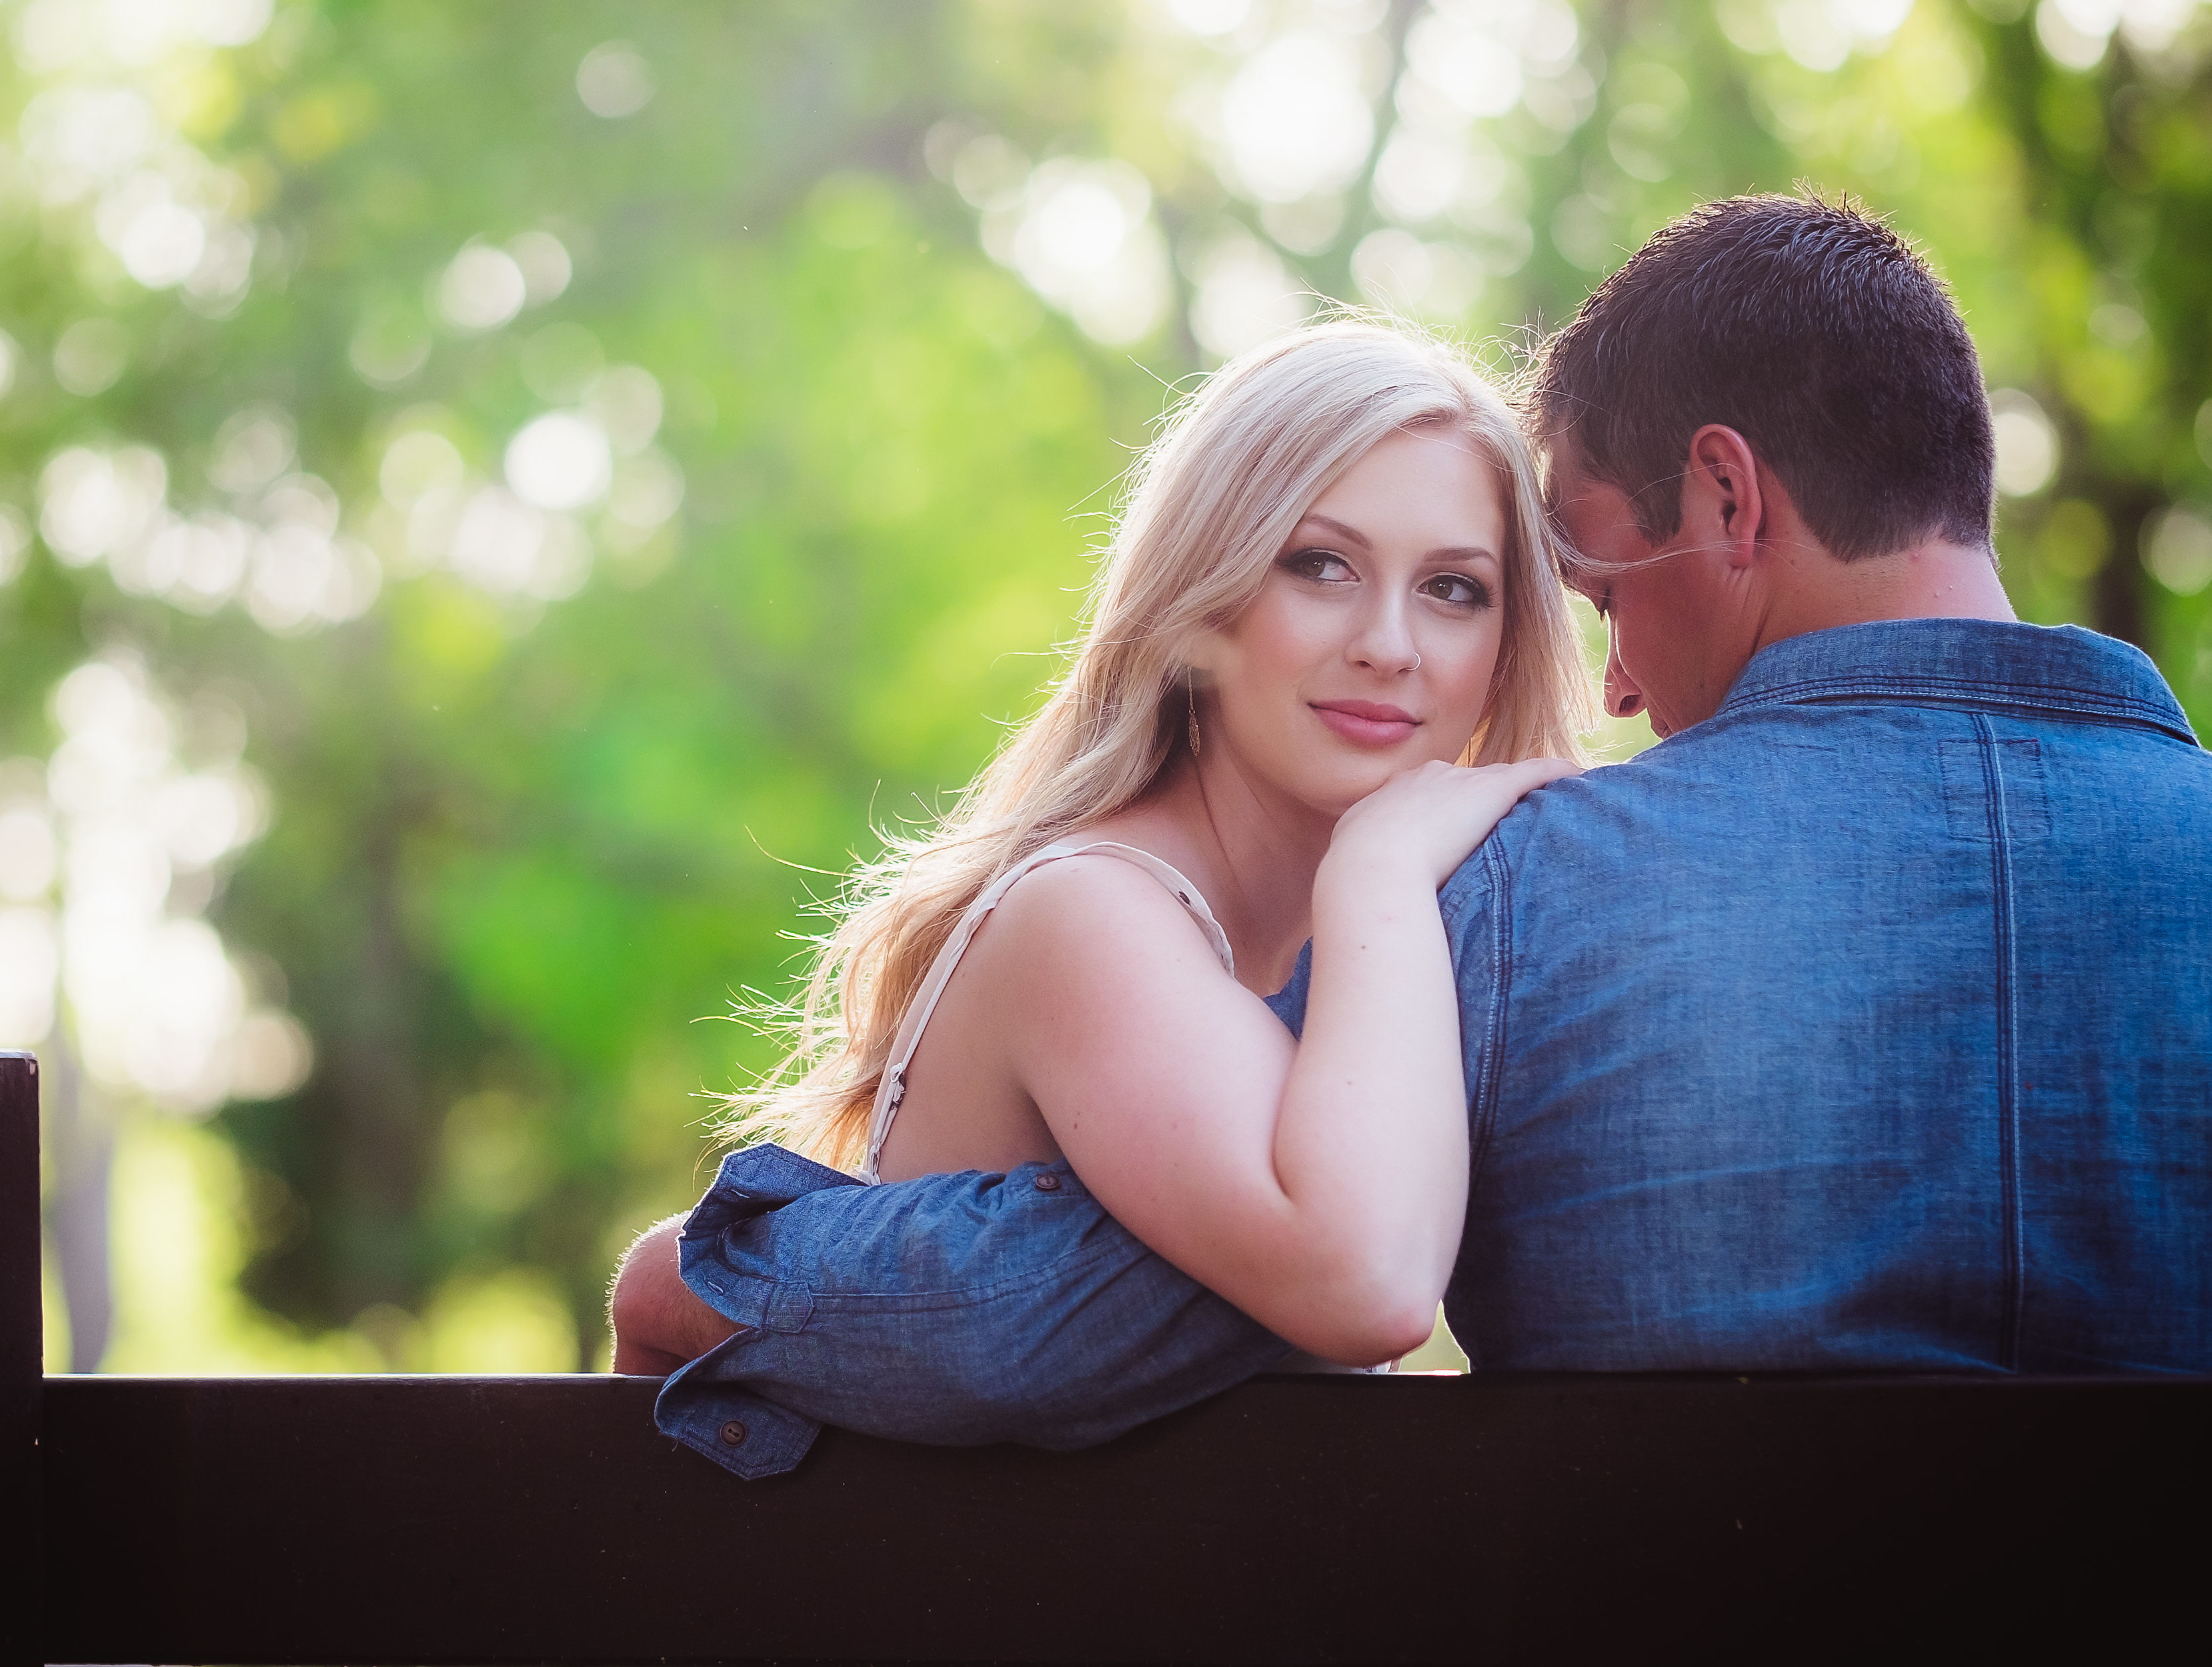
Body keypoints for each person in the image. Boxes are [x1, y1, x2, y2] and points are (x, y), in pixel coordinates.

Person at [615, 194, 2212, 1480]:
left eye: (1490, 588)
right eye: (1321, 566)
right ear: (1201, 594)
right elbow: (1327, 1265)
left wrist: (731, 1272)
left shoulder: (1531, 899)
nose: (1621, 685)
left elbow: (1077, 1309)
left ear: (1729, 500)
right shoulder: (1210, 907)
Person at [614, 318, 1591, 1476]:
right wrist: (1379, 869)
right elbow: (1369, 1285)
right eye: (1318, 565)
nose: (1389, 644)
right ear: (1201, 603)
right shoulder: (1091, 914)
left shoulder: (1389, 956)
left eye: (1452, 589)